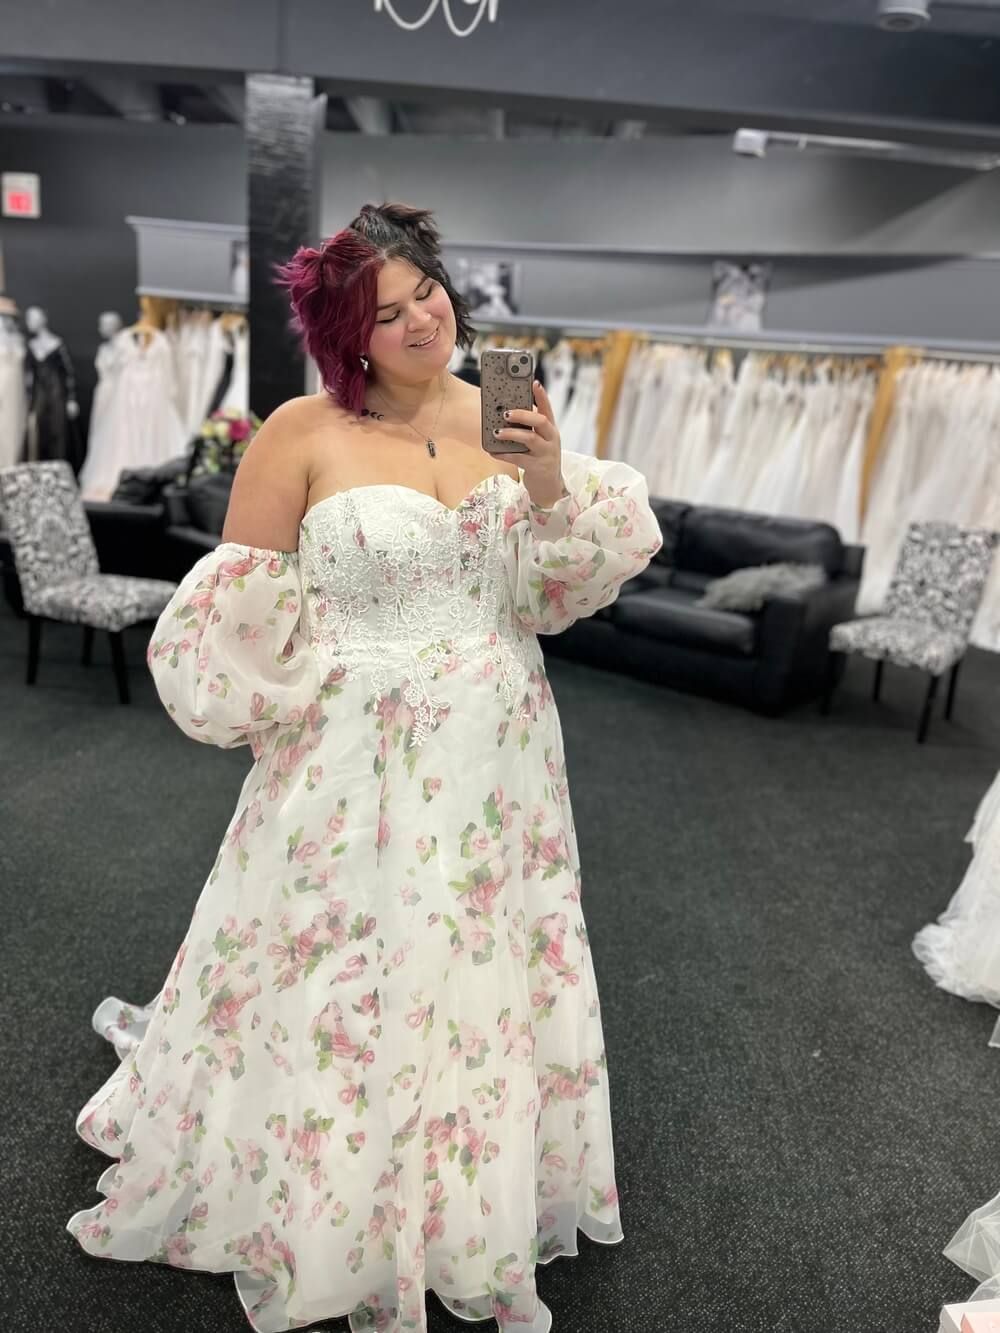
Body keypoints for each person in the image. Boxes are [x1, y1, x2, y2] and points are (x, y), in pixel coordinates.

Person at [66, 201, 664, 1333]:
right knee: (341, 956)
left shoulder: (506, 404)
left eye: (426, 292)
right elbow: (236, 612)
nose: (419, 320)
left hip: (498, 748)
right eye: (386, 314)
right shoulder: (301, 431)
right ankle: (332, 1196)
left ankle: (462, 1199)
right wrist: (292, 700)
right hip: (350, 750)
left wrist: (544, 477)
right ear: (347, 335)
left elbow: (555, 591)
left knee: (477, 956)